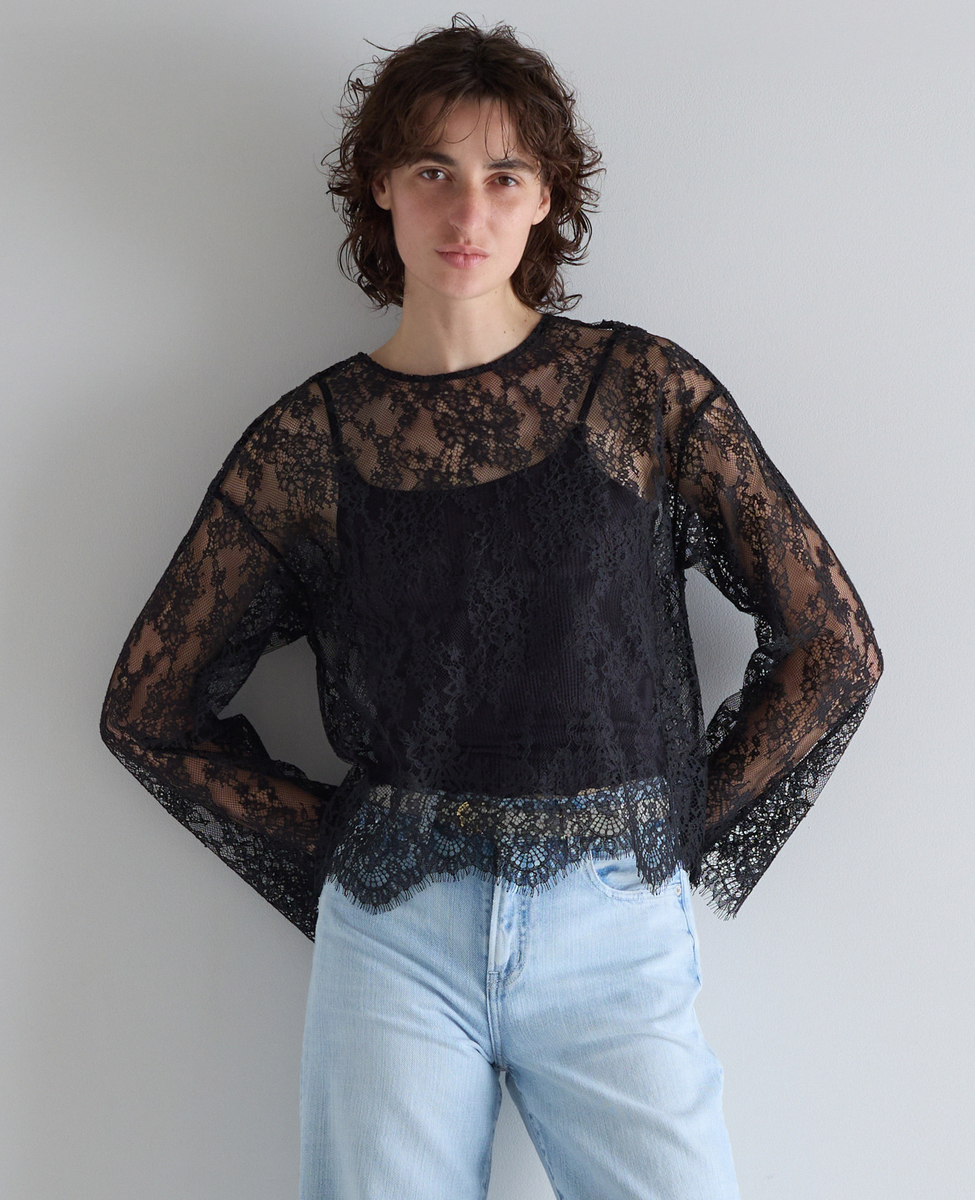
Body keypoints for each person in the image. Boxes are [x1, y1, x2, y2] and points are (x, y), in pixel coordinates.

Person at [100, 14, 883, 1200]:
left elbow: (835, 648)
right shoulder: (307, 447)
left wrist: (671, 833)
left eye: (504, 175)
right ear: (381, 187)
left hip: (615, 931)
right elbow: (149, 712)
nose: (467, 211)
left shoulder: (642, 397)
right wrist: (350, 850)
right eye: (434, 170)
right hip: (394, 943)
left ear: (546, 197)